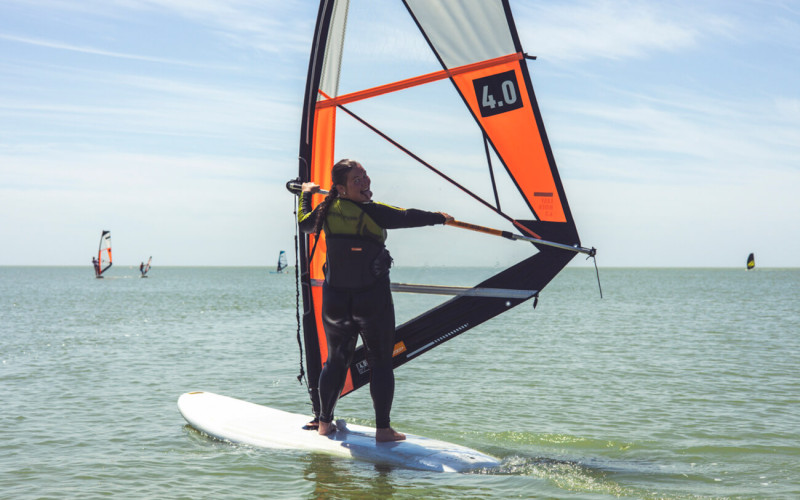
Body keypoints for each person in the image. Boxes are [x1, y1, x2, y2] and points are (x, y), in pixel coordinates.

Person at [298, 159, 453, 442]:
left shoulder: (325, 209)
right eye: (357, 180)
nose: (365, 182)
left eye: (365, 176)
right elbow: (406, 216)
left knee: (336, 360)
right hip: (371, 301)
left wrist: (306, 194)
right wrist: (439, 217)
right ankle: (383, 430)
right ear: (341, 188)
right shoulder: (373, 211)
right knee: (380, 362)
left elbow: (304, 223)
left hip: (335, 302)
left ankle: (324, 423)